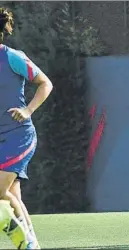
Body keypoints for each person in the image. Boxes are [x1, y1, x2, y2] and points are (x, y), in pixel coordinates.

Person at [0, 7, 53, 249]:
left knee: (1, 193)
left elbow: (45, 83)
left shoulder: (13, 57)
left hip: (18, 137)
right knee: (13, 198)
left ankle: (27, 244)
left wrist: (28, 110)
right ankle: (33, 245)